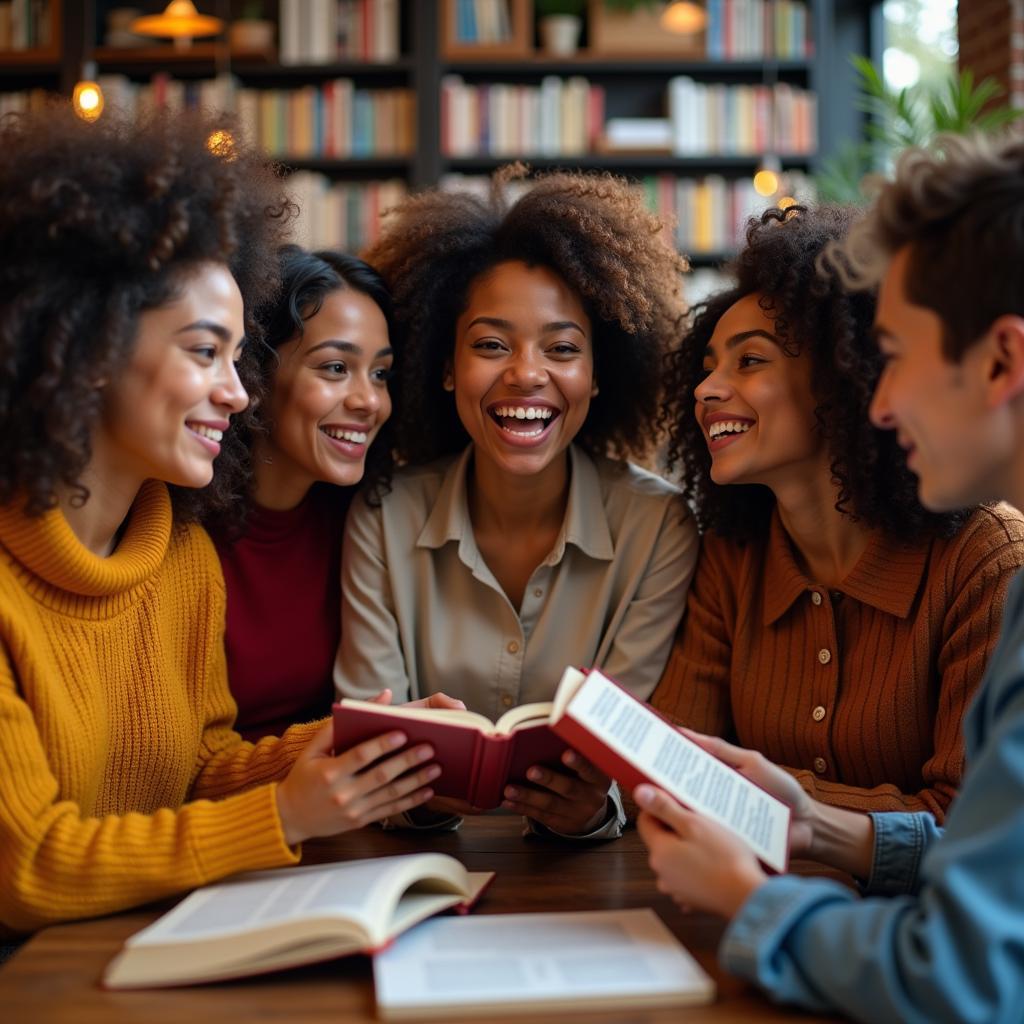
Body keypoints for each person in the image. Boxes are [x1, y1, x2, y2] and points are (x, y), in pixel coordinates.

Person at [0, 108, 441, 943]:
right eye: (206, 353)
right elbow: (27, 867)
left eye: (238, 359)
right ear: (87, 347)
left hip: (152, 945)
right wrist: (283, 812)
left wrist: (365, 743)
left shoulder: (180, 555)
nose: (239, 394)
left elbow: (202, 769)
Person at [636, 129, 1024, 1023]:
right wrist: (810, 824)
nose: (884, 399)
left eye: (899, 354)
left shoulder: (992, 561)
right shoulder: (734, 551)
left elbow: (957, 965)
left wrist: (760, 884)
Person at [337, 170, 698, 837]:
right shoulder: (383, 516)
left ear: (597, 376)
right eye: (490, 345)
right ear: (444, 368)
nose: (527, 374)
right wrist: (414, 792)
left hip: (589, 888)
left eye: (562, 348)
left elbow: (626, 753)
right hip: (414, 872)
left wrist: (595, 807)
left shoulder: (658, 528)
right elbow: (370, 735)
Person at [651, 204, 1024, 820]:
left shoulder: (986, 557)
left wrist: (789, 808)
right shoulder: (730, 556)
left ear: (842, 378)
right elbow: (672, 771)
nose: (706, 389)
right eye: (708, 366)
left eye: (750, 360)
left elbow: (973, 823)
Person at [207, 246, 462, 740]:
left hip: (339, 798)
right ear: (255, 374)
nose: (369, 400)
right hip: (226, 806)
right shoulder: (178, 529)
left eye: (381, 374)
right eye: (335, 368)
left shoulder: (370, 522)